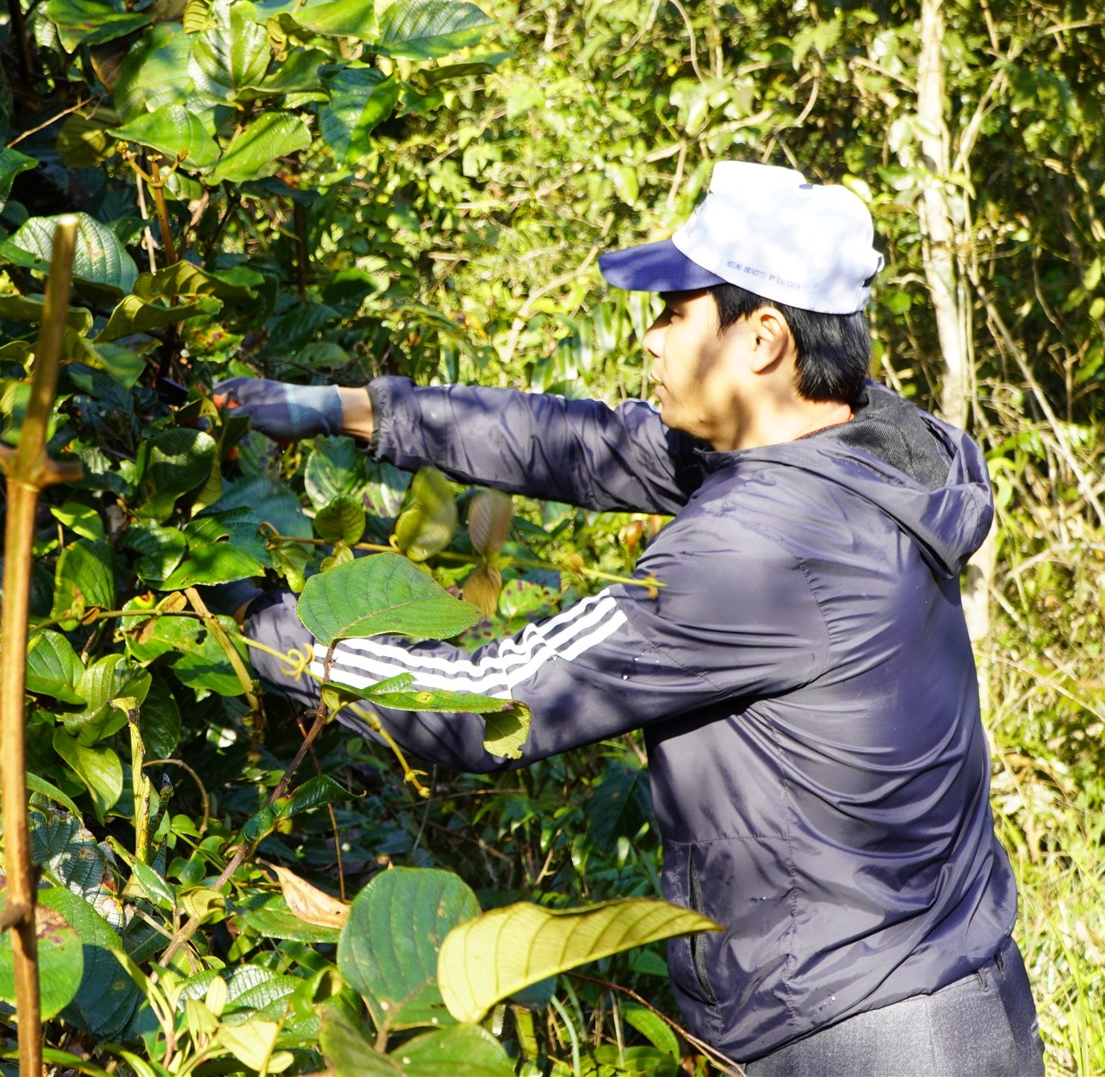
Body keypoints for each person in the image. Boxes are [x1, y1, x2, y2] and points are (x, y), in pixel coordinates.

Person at [210, 161, 1044, 1076]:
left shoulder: (760, 550)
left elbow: (495, 696)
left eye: (674, 310)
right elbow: (592, 444)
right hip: (960, 991)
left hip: (854, 1036)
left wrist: (259, 625)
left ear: (762, 336)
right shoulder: (867, 444)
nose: (649, 336)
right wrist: (355, 410)